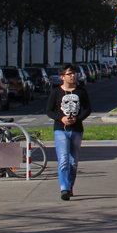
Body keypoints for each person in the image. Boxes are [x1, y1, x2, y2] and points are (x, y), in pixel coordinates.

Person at [46, 63, 92, 200]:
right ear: (62, 77)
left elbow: (87, 109)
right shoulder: (56, 92)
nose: (72, 76)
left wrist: (77, 119)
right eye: (69, 74)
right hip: (61, 130)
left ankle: (70, 185)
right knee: (63, 160)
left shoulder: (81, 91)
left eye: (73, 73)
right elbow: (49, 111)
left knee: (73, 161)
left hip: (76, 129)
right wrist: (62, 118)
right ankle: (64, 188)